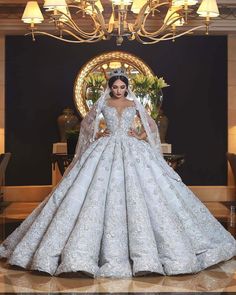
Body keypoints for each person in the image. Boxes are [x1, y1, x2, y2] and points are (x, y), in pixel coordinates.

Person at [0, 68, 235, 278]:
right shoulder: (103, 104)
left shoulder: (134, 105)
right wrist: (97, 137)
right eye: (115, 87)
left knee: (149, 193)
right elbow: (86, 125)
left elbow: (151, 126)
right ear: (110, 87)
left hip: (132, 147)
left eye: (122, 87)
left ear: (127, 87)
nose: (119, 90)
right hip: (107, 146)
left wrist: (139, 136)